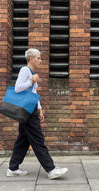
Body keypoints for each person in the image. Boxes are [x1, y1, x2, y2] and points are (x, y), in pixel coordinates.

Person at [7, 48, 68, 179]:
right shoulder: (25, 70)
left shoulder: (31, 72)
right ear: (31, 59)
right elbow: (17, 88)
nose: (41, 60)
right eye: (39, 58)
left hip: (31, 109)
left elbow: (32, 94)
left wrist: (40, 109)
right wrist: (32, 81)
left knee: (22, 141)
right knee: (38, 139)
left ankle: (13, 168)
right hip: (28, 111)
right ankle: (51, 169)